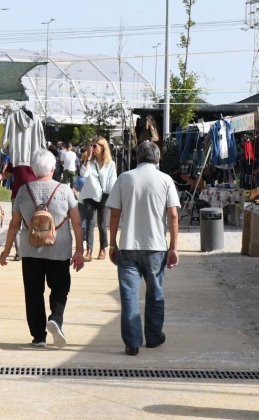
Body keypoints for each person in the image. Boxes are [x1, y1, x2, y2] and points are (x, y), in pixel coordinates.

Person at [0, 149, 84, 348]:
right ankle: (55, 318)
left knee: (33, 292)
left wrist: (6, 250)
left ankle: (38, 337)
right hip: (59, 250)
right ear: (54, 168)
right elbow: (77, 223)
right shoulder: (65, 191)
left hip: (30, 251)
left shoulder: (23, 192)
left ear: (33, 170)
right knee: (60, 288)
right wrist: (79, 250)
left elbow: (14, 224)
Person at [106, 141, 180, 356]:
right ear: (158, 159)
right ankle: (154, 336)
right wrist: (173, 247)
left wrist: (112, 244)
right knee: (155, 293)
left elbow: (114, 213)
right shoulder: (166, 180)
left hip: (128, 246)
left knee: (129, 295)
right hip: (156, 247)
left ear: (136, 158)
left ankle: (132, 342)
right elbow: (173, 215)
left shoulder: (124, 178)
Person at [79, 136, 117, 262]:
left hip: (104, 196)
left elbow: (112, 182)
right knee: (90, 223)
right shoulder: (89, 161)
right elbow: (83, 174)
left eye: (95, 146)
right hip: (90, 195)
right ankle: (89, 251)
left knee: (101, 224)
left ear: (102, 147)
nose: (92, 148)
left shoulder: (110, 164)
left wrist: (113, 199)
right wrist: (88, 159)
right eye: (91, 145)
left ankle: (102, 248)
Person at [0, 160, 37, 261]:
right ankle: (19, 252)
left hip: (34, 195)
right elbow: (7, 173)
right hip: (17, 195)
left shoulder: (36, 156)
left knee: (34, 223)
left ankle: (33, 251)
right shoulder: (15, 158)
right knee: (16, 223)